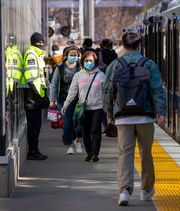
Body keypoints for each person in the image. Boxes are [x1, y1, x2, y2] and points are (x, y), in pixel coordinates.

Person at [102, 32, 166, 205]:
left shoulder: (115, 64)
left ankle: (124, 191)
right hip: (145, 117)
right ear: (139, 45)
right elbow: (157, 90)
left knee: (125, 154)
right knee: (146, 154)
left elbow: (107, 91)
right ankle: (146, 190)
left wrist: (109, 114)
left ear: (123, 45)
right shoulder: (149, 64)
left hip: (123, 117)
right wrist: (160, 113)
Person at [61, 51, 105, 162]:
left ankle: (95, 153)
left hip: (98, 107)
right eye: (86, 60)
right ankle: (89, 152)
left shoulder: (101, 75)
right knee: (85, 131)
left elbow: (106, 92)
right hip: (84, 108)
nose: (88, 62)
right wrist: (66, 104)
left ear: (95, 62)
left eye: (91, 60)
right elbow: (72, 91)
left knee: (95, 129)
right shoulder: (78, 75)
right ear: (82, 61)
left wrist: (108, 108)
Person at [49, 46, 83, 155]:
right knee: (67, 123)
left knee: (80, 122)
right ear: (66, 56)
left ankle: (78, 140)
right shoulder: (60, 67)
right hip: (63, 99)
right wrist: (52, 99)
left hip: (78, 99)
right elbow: (54, 84)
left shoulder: (81, 67)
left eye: (76, 55)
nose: (74, 57)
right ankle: (69, 145)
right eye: (71, 55)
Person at [23, 32, 49, 160]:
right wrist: (40, 95)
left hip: (35, 97)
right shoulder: (31, 55)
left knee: (36, 125)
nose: (41, 45)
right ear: (33, 42)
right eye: (38, 42)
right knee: (34, 125)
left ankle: (35, 150)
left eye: (42, 42)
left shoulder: (37, 55)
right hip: (32, 97)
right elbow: (31, 78)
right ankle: (32, 152)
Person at [98, 38, 118, 134]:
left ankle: (105, 126)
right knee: (112, 102)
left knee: (103, 105)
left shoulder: (99, 55)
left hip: (102, 81)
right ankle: (112, 122)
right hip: (113, 81)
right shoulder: (114, 55)